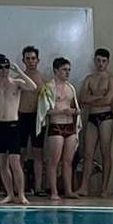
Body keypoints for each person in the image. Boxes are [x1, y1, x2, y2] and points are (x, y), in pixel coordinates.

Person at [0, 54, 38, 205]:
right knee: (2, 163)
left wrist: (19, 71)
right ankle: (10, 194)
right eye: (0, 67)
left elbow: (33, 87)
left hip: (13, 126)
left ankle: (21, 195)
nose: (4, 70)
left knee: (15, 162)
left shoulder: (16, 83)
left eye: (6, 67)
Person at [77, 48, 113, 198]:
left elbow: (108, 100)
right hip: (92, 117)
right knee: (87, 153)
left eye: (104, 61)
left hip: (106, 117)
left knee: (105, 151)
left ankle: (104, 188)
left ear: (108, 62)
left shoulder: (112, 79)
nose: (101, 64)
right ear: (95, 61)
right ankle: (84, 187)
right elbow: (82, 99)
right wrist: (98, 97)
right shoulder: (89, 78)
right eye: (98, 60)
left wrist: (92, 98)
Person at [44, 57, 81, 202]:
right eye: (64, 70)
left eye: (69, 70)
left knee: (68, 161)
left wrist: (75, 112)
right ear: (56, 70)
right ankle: (54, 191)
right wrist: (63, 111)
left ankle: (68, 190)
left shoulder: (71, 88)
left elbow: (74, 107)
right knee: (54, 161)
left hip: (70, 126)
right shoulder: (49, 87)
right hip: (56, 125)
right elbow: (45, 111)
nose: (67, 72)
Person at [17, 45, 47, 196]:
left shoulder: (43, 79)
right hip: (21, 117)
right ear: (23, 60)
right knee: (20, 153)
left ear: (38, 60)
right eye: (27, 58)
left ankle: (38, 186)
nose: (30, 61)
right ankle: (19, 187)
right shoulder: (18, 78)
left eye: (33, 58)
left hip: (37, 119)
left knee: (38, 153)